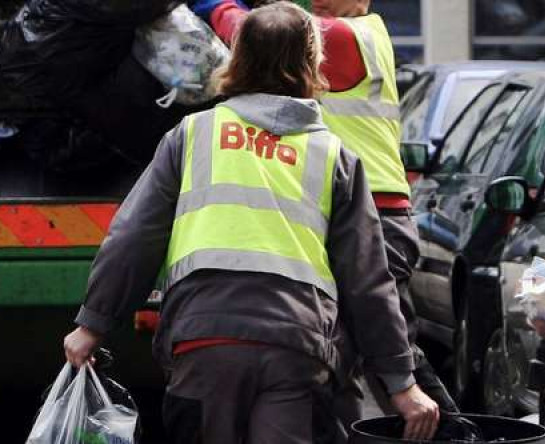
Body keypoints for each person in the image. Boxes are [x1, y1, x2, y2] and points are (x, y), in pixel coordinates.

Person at [62, 3, 438, 442]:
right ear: (313, 64)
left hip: (203, 341)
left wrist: (93, 325)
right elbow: (367, 280)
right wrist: (401, 382)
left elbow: (134, 236)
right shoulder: (336, 157)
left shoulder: (192, 136)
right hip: (297, 349)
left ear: (235, 59)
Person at [192, 0, 459, 419]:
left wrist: (215, 4)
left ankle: (457, 432)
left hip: (374, 217)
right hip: (353, 210)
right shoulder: (356, 33)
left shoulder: (348, 36)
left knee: (391, 356)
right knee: (353, 357)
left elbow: (257, 32)